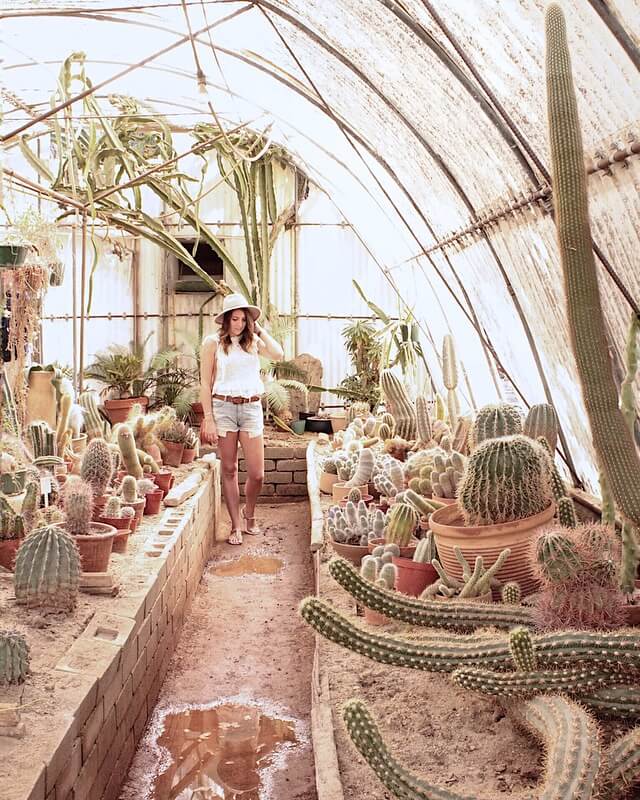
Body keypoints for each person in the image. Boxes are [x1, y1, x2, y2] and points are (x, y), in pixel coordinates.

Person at [199, 293, 284, 545]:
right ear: (225, 320)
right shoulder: (212, 343)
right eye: (234, 319)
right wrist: (209, 418)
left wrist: (259, 329)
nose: (239, 324)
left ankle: (250, 513)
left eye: (243, 319)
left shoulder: (253, 341)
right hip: (223, 407)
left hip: (250, 408)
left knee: (257, 474)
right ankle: (236, 525)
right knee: (229, 469)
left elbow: (278, 354)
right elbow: (205, 383)